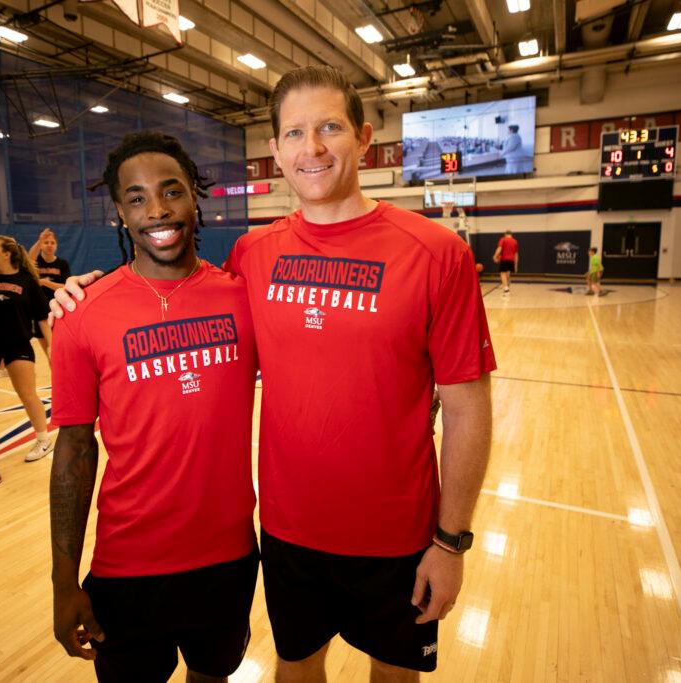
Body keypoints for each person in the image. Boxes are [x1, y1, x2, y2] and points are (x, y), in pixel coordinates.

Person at [53, 65, 495, 681]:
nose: (311, 148)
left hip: (398, 535)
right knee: (295, 669)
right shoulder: (252, 258)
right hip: (287, 535)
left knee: (395, 677)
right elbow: (174, 297)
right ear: (276, 151)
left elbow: (470, 406)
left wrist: (451, 543)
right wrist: (77, 294)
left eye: (329, 128)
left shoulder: (435, 253)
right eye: (294, 133)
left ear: (364, 138)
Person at [49, 132, 259, 682]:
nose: (158, 210)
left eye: (172, 192)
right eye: (137, 198)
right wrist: (63, 581)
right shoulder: (82, 312)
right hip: (128, 566)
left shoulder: (243, 297)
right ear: (120, 211)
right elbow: (73, 448)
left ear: (195, 198)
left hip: (229, 559)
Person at [0, 235, 54, 462]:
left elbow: (42, 318)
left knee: (27, 394)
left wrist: (52, 346)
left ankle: (43, 439)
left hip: (18, 344)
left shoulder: (27, 281)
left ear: (6, 253)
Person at [27, 228, 71, 359]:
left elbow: (64, 286)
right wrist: (39, 240)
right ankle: (55, 378)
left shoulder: (62, 264)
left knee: (61, 352)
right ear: (41, 245)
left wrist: (44, 282)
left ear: (56, 245)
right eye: (46, 242)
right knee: (50, 353)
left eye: (52, 242)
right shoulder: (37, 262)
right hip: (40, 313)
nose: (50, 245)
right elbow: (30, 258)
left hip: (58, 311)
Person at [493, 229, 519, 294]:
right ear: (511, 234)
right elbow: (516, 254)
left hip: (504, 259)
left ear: (505, 234)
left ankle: (506, 289)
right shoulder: (515, 241)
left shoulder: (503, 239)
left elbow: (499, 248)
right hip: (512, 260)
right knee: (508, 274)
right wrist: (516, 265)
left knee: (502, 273)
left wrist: (495, 256)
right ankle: (507, 288)